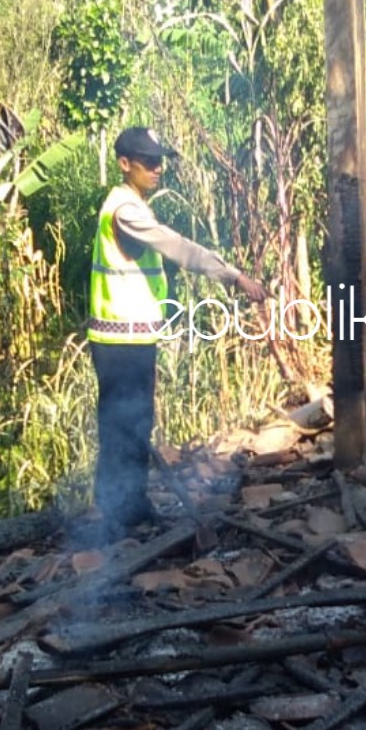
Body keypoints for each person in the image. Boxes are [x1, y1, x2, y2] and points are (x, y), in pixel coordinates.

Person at [87, 126, 267, 538]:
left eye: (159, 160)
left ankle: (128, 508)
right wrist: (233, 276)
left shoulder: (133, 205)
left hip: (131, 337)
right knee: (124, 426)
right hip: (120, 342)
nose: (157, 168)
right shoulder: (125, 211)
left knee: (134, 424)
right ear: (124, 164)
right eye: (148, 161)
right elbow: (179, 247)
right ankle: (117, 516)